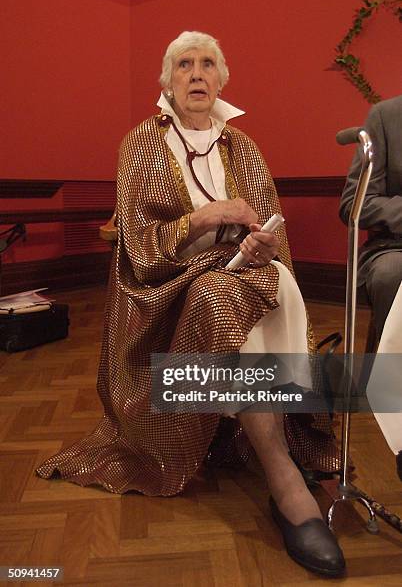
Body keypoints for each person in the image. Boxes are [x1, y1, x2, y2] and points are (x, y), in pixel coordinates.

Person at [37, 31, 344, 577]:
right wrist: (202, 219)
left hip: (238, 270)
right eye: (185, 65)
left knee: (266, 280)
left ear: (222, 80)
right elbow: (135, 237)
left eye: (207, 65)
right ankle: (282, 477)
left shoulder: (242, 144)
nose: (197, 74)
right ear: (168, 82)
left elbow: (269, 222)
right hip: (165, 281)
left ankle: (262, 429)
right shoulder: (142, 142)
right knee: (218, 297)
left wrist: (261, 242)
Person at [339, 94, 402, 343]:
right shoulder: (386, 116)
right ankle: (389, 377)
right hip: (394, 246)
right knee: (391, 273)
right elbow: (355, 203)